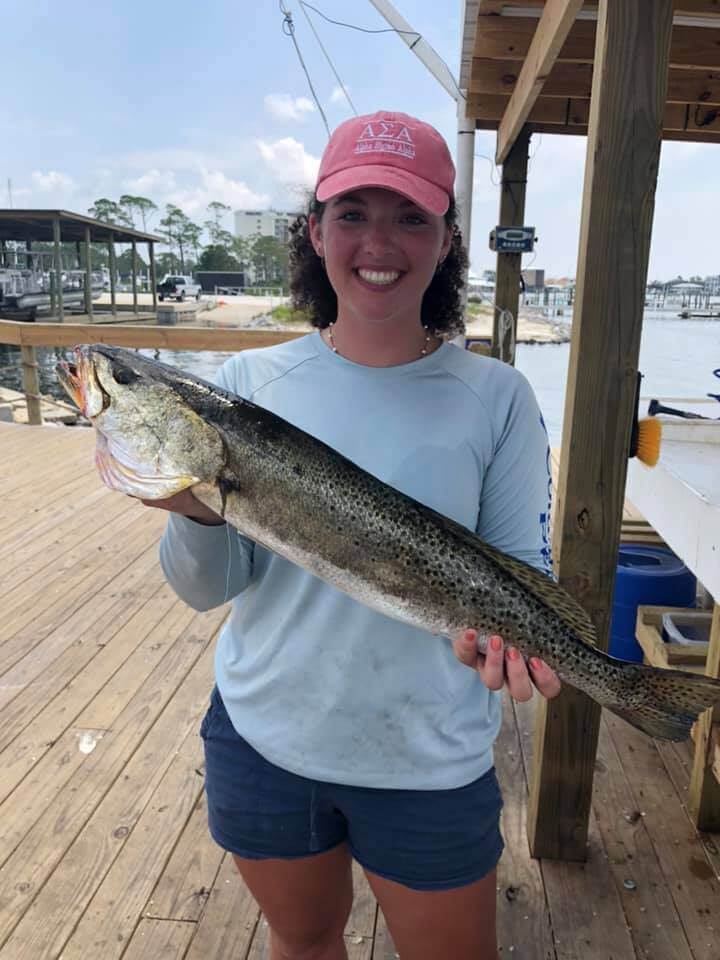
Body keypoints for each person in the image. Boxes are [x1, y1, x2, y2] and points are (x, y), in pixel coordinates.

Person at [147, 110, 561, 960]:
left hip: (429, 759)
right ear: (315, 231)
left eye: (411, 215)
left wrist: (510, 647)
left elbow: (523, 570)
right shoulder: (246, 384)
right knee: (303, 946)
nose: (381, 241)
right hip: (266, 738)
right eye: (353, 214)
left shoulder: (498, 397)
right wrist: (194, 512)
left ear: (447, 239)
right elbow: (205, 589)